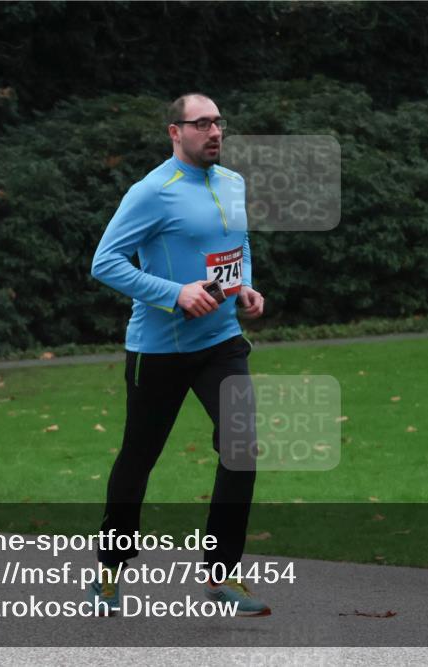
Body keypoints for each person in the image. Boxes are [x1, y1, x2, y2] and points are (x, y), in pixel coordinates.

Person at [87, 93, 269, 616]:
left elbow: (238, 246)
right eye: (202, 123)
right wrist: (174, 293)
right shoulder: (152, 192)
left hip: (221, 343)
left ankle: (221, 575)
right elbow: (105, 262)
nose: (214, 131)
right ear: (175, 131)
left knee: (242, 446)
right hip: (159, 349)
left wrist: (245, 288)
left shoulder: (232, 183)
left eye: (219, 123)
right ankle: (108, 571)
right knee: (138, 459)